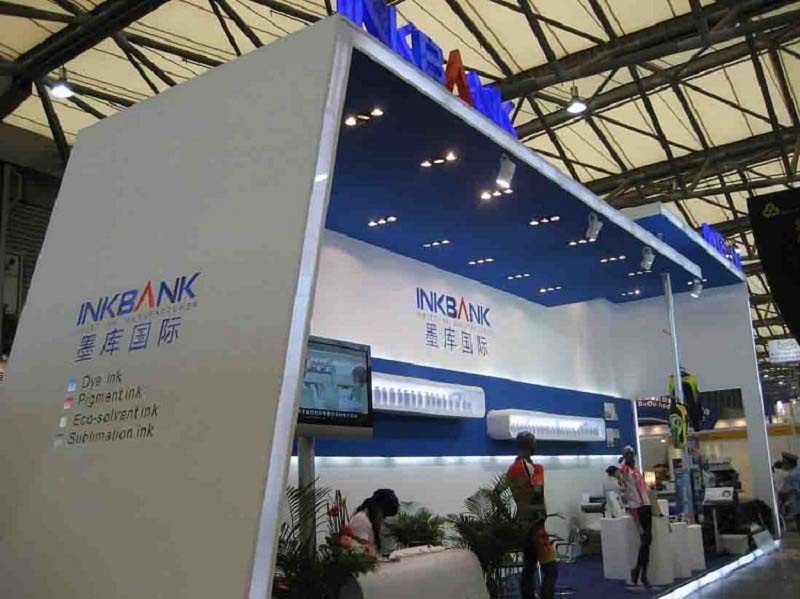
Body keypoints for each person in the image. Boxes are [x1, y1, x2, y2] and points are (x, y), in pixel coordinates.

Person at [507, 432, 558, 599]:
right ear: (531, 445)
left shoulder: (512, 469)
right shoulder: (536, 468)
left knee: (529, 567)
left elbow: (496, 492)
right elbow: (537, 494)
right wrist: (541, 518)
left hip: (521, 524)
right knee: (551, 569)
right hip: (535, 525)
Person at [618, 446, 652, 589]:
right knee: (644, 539)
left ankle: (640, 572)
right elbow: (621, 482)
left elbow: (644, 489)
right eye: (627, 454)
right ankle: (639, 573)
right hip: (636, 508)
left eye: (631, 454)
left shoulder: (637, 471)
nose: (630, 457)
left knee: (648, 540)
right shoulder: (625, 471)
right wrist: (622, 463)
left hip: (646, 505)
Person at [349, 488, 399, 557]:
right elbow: (362, 553)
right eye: (383, 515)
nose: (383, 519)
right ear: (377, 508)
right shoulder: (361, 521)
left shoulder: (369, 519)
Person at [779, 453, 800, 531]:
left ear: (788, 463)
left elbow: (791, 491)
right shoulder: (798, 471)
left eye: (784, 463)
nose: (783, 465)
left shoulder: (791, 476)